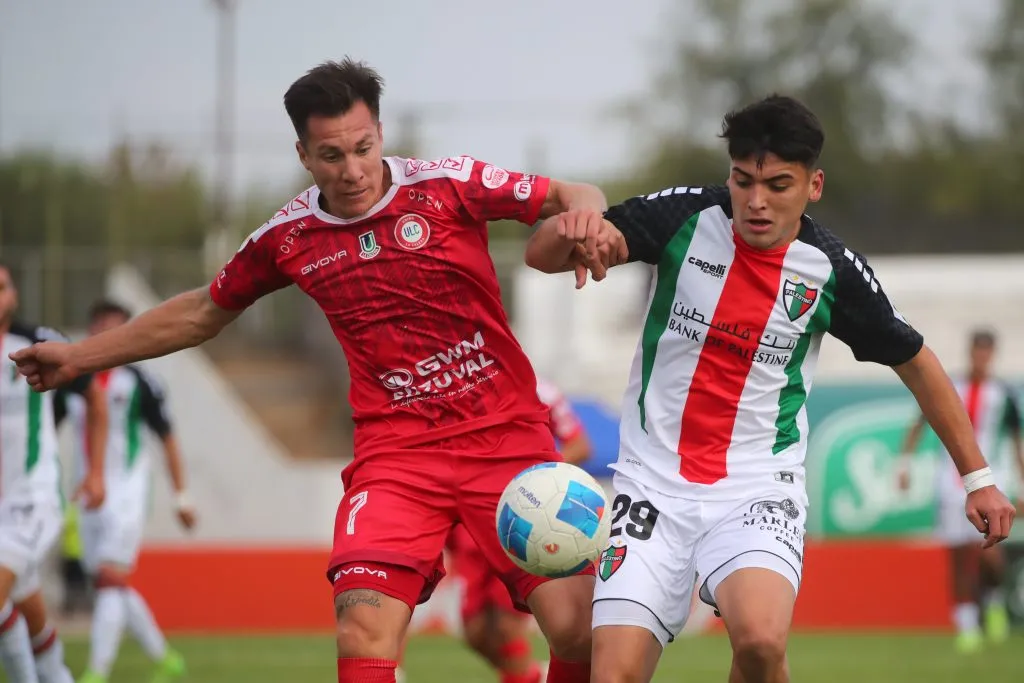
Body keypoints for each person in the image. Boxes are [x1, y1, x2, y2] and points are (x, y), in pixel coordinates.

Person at [9, 58, 609, 683]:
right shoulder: (289, 237)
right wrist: (77, 356)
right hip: (397, 458)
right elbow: (199, 313)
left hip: (505, 443)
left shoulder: (449, 184)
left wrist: (586, 220)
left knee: (576, 626)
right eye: (330, 156)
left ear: (379, 131)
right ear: (302, 154)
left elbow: (573, 193)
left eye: (362, 148)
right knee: (360, 628)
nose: (351, 171)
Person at [523, 95, 1018, 683]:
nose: (756, 202)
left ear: (814, 186)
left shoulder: (829, 268)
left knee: (759, 642)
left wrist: (979, 480)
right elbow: (541, 256)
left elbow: (918, 362)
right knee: (613, 674)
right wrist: (573, 232)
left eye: (778, 185)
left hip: (756, 486)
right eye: (743, 180)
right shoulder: (684, 216)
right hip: (650, 484)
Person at [56, 300, 194, 683]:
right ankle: (165, 659)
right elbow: (49, 428)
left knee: (109, 578)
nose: (106, 334)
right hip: (87, 495)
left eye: (114, 327)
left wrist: (181, 497)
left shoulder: (140, 382)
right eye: (99, 325)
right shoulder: (74, 381)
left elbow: (168, 439)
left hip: (127, 492)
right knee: (108, 583)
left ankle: (96, 673)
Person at [0, 262, 108, 683]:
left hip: (32, 498)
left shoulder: (39, 342)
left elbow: (95, 398)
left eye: (2, 286)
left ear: (15, 296)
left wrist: (96, 474)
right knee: (28, 618)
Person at [445, 378, 593, 683]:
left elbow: (580, 446)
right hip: (470, 517)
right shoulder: (455, 384)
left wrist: (533, 486)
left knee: (505, 626)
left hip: (521, 519)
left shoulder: (541, 390)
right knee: (474, 632)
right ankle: (531, 676)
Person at [898, 328, 1024, 652]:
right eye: (976, 352)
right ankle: (967, 624)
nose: (980, 358)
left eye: (986, 353)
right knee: (958, 555)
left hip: (992, 481)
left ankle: (993, 601)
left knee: (991, 556)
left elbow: (1015, 442)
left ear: (992, 355)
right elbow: (918, 424)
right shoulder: (951, 387)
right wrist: (905, 466)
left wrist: (1021, 484)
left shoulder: (1002, 394)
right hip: (949, 483)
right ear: (971, 352)